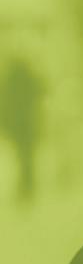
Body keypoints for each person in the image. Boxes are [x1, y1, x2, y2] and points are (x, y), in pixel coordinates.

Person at [0, 55, 43, 200]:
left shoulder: (10, 80)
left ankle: (25, 187)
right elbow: (40, 92)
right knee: (27, 156)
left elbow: (4, 103)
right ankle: (27, 187)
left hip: (18, 125)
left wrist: (5, 124)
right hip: (28, 123)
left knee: (23, 156)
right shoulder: (28, 78)